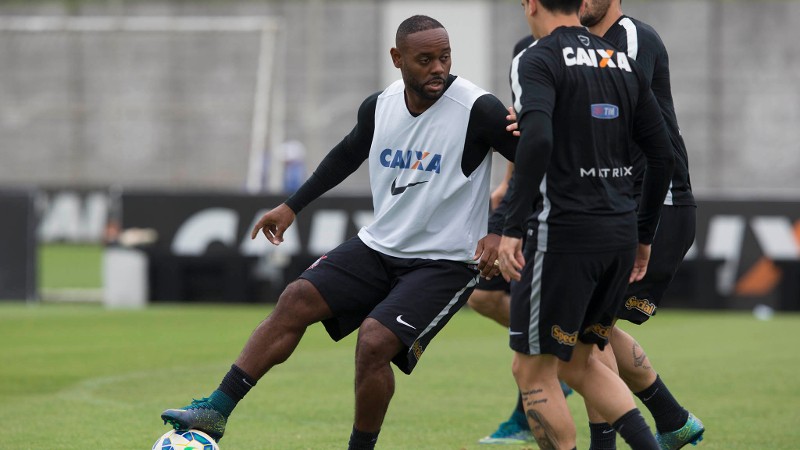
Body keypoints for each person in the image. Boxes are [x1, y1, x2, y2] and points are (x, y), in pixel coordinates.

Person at [159, 15, 517, 450]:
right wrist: (292, 206)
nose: (438, 68)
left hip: (445, 261)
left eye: (445, 57)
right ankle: (216, 409)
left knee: (374, 342)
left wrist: (501, 229)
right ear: (397, 58)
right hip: (379, 247)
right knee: (296, 298)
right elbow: (347, 154)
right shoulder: (380, 105)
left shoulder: (478, 109)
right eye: (425, 60)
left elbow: (533, 160)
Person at [497, 0, 675, 448]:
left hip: (563, 235)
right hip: (619, 234)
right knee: (580, 362)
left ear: (530, 3)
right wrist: (644, 235)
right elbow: (662, 155)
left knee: (531, 369)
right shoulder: (622, 62)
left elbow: (536, 139)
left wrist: (512, 227)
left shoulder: (534, 58)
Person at [578, 0, 704, 448]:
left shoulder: (632, 38)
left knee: (585, 330)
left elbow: (612, 107)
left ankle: (616, 439)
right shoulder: (580, 47)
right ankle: (672, 420)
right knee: (591, 327)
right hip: (619, 205)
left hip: (656, 204)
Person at [470, 34, 573, 446]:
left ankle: (532, 406)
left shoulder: (585, 57)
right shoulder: (524, 51)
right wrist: (506, 184)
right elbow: (525, 134)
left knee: (549, 331)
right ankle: (556, 362)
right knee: (482, 295)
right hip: (521, 193)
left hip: (558, 203)